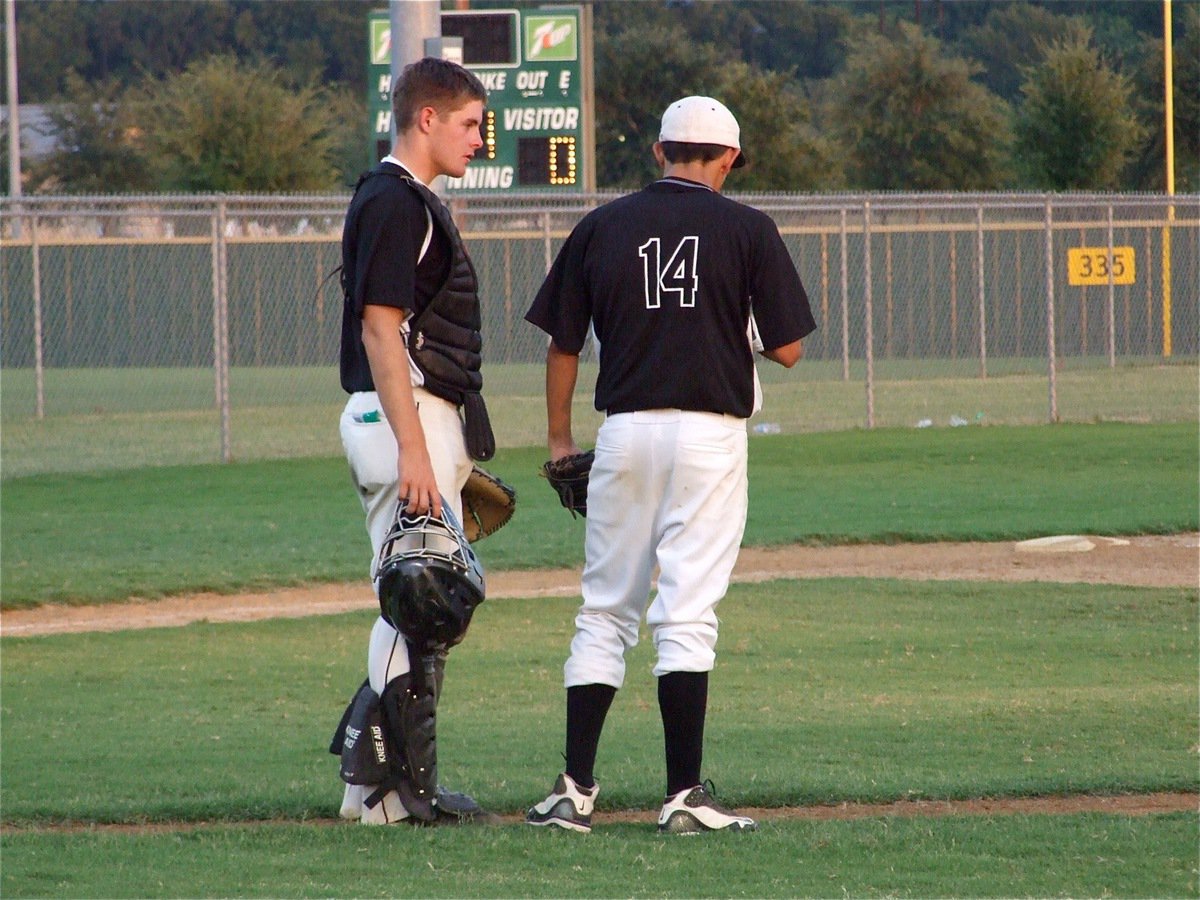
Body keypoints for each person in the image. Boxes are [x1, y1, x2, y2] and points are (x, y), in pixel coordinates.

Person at [523, 96, 817, 834]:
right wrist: (733, 317)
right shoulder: (749, 228)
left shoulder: (602, 224)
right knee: (685, 610)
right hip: (709, 436)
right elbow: (788, 349)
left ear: (659, 152)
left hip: (623, 432)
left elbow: (563, 342)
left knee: (605, 607)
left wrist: (560, 440)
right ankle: (684, 794)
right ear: (727, 160)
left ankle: (572, 791)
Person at [329, 57, 497, 826]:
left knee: (419, 598)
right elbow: (379, 326)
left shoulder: (407, 200)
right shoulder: (397, 202)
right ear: (425, 118)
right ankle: (401, 793)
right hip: (404, 417)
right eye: (468, 123)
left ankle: (370, 788)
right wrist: (417, 449)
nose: (479, 138)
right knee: (417, 602)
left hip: (415, 416)